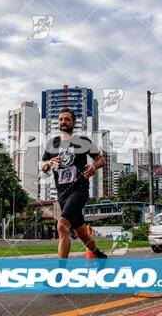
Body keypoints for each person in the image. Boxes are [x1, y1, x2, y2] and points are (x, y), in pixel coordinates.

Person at [40, 108, 107, 259]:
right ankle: (100, 256)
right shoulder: (52, 144)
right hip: (62, 194)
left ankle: (60, 274)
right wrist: (49, 163)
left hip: (79, 190)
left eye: (67, 119)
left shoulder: (83, 141)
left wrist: (94, 166)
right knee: (81, 232)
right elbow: (43, 166)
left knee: (62, 226)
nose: (63, 122)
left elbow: (101, 160)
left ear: (74, 123)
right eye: (61, 119)